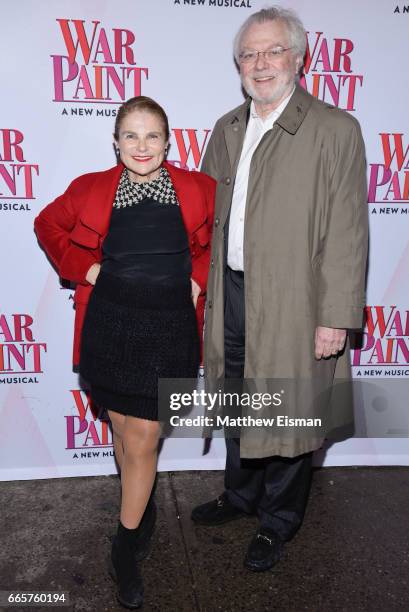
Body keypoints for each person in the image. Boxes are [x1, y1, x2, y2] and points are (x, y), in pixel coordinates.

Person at [191, 6, 368, 572]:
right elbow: (203, 218)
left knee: (290, 409)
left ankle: (278, 521)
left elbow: (347, 231)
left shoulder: (336, 130)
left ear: (299, 58)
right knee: (241, 395)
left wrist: (335, 316)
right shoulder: (227, 128)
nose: (260, 64)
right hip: (232, 292)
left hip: (298, 300)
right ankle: (241, 495)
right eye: (249, 54)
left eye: (272, 51)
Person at [34, 96, 215, 608]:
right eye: (131, 136)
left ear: (169, 141)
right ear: (115, 141)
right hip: (111, 324)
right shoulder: (91, 188)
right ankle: (138, 513)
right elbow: (48, 225)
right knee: (125, 432)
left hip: (170, 326)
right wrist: (85, 269)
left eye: (152, 135)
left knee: (143, 437)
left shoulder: (199, 189)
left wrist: (198, 281)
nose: (141, 146)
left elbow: (217, 244)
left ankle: (125, 543)